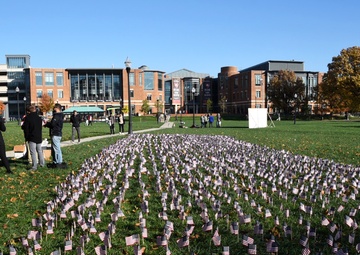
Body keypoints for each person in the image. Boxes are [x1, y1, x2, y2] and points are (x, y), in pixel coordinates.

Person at [22, 105, 45, 170]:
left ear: (29, 111)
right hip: (38, 136)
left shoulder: (28, 118)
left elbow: (26, 128)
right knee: (39, 150)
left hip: (31, 137)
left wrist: (26, 137)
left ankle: (34, 166)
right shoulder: (39, 118)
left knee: (33, 152)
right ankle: (42, 163)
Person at [44, 103, 66, 169]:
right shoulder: (61, 116)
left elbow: (53, 124)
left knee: (56, 149)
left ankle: (58, 162)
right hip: (58, 133)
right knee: (55, 148)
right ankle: (56, 161)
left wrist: (46, 124)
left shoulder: (57, 116)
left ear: (57, 108)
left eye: (54, 108)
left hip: (55, 134)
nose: (53, 110)